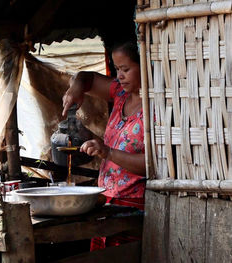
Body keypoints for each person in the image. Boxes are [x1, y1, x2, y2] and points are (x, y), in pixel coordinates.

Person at [62, 41, 146, 250]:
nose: (120, 76)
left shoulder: (157, 108)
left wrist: (108, 152)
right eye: (117, 69)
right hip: (106, 202)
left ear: (146, 65)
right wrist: (75, 89)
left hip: (133, 207)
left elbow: (152, 165)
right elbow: (86, 78)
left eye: (126, 69)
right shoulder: (120, 94)